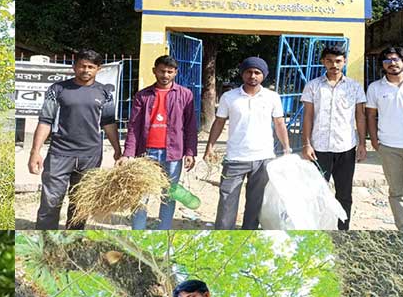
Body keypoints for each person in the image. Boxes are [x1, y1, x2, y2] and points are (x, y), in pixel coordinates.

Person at [27, 49, 122, 229]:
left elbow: (109, 123)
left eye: (90, 67)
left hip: (91, 156)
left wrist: (117, 149)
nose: (85, 70)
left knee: (81, 204)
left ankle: (72, 245)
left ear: (98, 69)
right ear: (74, 67)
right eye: (81, 66)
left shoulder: (105, 93)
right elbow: (45, 121)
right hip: (59, 154)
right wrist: (35, 152)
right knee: (51, 202)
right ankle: (45, 244)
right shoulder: (58, 89)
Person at [204, 57, 291, 230]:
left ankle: (248, 234)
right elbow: (219, 122)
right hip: (235, 158)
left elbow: (280, 123)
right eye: (249, 72)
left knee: (256, 201)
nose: (253, 76)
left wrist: (286, 147)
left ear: (263, 76)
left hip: (263, 157)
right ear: (242, 74)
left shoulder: (272, 97)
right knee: (227, 199)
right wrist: (210, 147)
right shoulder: (229, 97)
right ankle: (223, 236)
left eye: (257, 72)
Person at [119, 55, 197, 230]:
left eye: (170, 72)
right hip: (146, 154)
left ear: (175, 73)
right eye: (162, 71)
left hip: (173, 153)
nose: (165, 75)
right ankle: (138, 232)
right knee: (140, 194)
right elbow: (134, 126)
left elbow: (191, 125)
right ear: (154, 71)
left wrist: (190, 152)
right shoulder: (143, 95)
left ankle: (163, 231)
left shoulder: (185, 95)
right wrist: (128, 153)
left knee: (169, 194)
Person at [300, 45, 367, 230]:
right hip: (319, 148)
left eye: (338, 61)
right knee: (316, 193)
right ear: (323, 62)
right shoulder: (313, 86)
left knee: (344, 194)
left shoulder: (354, 87)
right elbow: (308, 116)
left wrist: (362, 143)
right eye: (329, 61)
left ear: (344, 62)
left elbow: (359, 116)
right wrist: (306, 144)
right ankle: (316, 231)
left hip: (346, 147)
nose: (334, 65)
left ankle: (342, 231)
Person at [366, 46, 403, 231]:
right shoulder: (375, 88)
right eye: (387, 61)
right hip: (390, 147)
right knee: (396, 192)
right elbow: (370, 115)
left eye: (396, 60)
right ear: (382, 65)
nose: (392, 63)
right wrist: (374, 140)